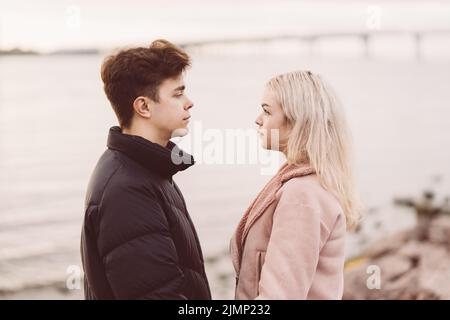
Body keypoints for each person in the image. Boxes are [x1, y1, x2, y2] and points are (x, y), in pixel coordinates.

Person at [81, 39, 211, 300]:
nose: (189, 102)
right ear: (143, 107)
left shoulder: (150, 169)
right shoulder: (127, 190)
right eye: (177, 93)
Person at [230, 70, 362, 299]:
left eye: (266, 111)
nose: (258, 119)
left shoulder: (302, 194)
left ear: (296, 122)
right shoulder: (311, 183)